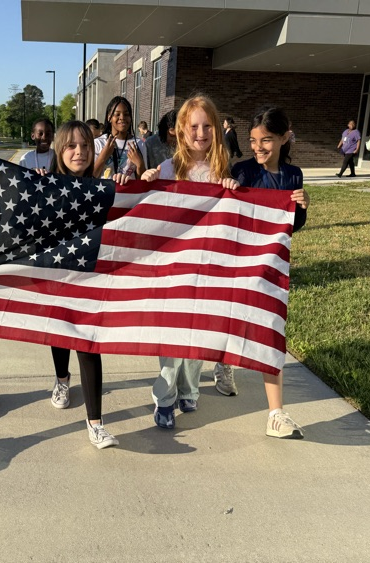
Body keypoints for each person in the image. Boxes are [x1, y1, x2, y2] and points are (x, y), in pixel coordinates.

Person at [139, 94, 241, 430]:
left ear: (216, 129)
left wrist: (230, 187)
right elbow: (150, 212)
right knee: (172, 335)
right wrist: (149, 184)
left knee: (199, 331)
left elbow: (235, 214)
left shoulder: (222, 170)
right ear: (180, 131)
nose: (200, 133)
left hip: (208, 267)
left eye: (207, 126)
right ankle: (165, 397)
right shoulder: (169, 169)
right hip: (174, 267)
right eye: (193, 126)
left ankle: (190, 388)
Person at [46, 120, 126, 449]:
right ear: (60, 150)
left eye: (84, 145)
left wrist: (130, 181)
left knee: (89, 344)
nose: (78, 151)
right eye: (71, 146)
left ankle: (95, 423)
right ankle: (62, 379)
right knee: (59, 333)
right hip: (56, 273)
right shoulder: (45, 186)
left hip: (90, 276)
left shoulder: (102, 187)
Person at [231, 106, 309, 439]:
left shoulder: (294, 175)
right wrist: (228, 189)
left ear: (283, 138)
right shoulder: (243, 171)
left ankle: (275, 414)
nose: (258, 147)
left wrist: (302, 206)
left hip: (271, 268)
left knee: (271, 332)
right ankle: (223, 365)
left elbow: (292, 225)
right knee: (230, 321)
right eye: (253, 140)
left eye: (266, 140)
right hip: (238, 265)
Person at [94, 96, 147, 179]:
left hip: (129, 192)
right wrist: (103, 156)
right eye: (117, 114)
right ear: (109, 117)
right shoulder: (98, 143)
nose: (122, 118)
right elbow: (90, 178)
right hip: (105, 191)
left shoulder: (139, 144)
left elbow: (143, 184)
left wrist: (140, 164)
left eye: (126, 114)